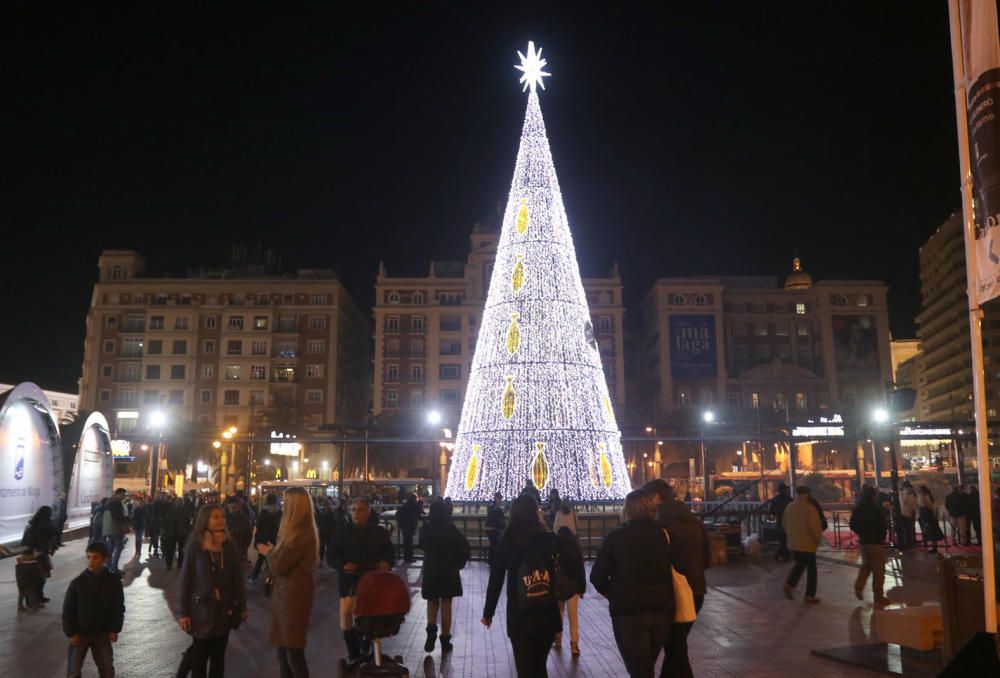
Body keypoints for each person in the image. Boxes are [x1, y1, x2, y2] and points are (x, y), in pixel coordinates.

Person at [591, 490, 674, 678]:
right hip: (661, 609)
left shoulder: (616, 537)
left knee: (639, 668)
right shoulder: (664, 534)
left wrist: (614, 594)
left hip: (628, 611)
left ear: (627, 510)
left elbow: (598, 576)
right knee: (646, 666)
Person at [482, 494, 567, 677]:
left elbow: (496, 579)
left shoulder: (508, 541)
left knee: (525, 669)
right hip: (546, 613)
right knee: (540, 666)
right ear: (535, 513)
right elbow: (568, 563)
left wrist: (488, 612)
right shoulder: (547, 539)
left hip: (520, 615)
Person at [644, 479, 708, 678]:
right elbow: (707, 560)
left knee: (676, 648)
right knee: (676, 646)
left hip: (672, 593)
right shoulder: (694, 521)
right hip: (696, 591)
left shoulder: (656, 525)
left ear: (655, 497)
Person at [176, 504, 248, 678]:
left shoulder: (230, 546)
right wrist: (183, 612)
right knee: (199, 659)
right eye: (215, 517)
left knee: (218, 659)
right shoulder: (195, 546)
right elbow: (186, 581)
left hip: (224, 611)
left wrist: (242, 605)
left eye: (222, 516)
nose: (220, 520)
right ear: (205, 520)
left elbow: (237, 579)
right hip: (201, 611)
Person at [256, 487, 318, 678]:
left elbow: (280, 566)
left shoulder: (299, 533)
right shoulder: (299, 531)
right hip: (289, 595)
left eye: (287, 502)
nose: (283, 505)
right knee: (285, 652)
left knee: (292, 652)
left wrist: (269, 553)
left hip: (293, 597)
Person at [327, 497, 395, 665]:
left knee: (369, 615)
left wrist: (386, 563)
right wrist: (343, 565)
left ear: (368, 512)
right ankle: (353, 652)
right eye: (353, 509)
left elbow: (389, 552)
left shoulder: (378, 532)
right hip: (349, 582)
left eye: (360, 509)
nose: (356, 513)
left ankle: (366, 646)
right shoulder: (342, 531)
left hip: (372, 581)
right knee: (346, 614)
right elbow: (331, 556)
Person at [63, 542, 125, 678]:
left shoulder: (113, 582)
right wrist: (71, 632)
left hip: (102, 633)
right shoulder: (77, 583)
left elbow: (118, 607)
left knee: (107, 668)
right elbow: (68, 610)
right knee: (74, 670)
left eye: (95, 557)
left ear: (104, 559)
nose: (91, 561)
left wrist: (114, 629)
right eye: (89, 557)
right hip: (80, 633)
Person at [419, 500, 471, 653]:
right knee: (446, 603)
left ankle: (431, 631)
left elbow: (422, 545)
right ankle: (445, 639)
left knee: (432, 602)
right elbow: (464, 546)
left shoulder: (426, 529)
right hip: (448, 570)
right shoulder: (450, 528)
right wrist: (458, 563)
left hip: (431, 569)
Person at [850, 486, 890, 606]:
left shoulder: (858, 508)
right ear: (873, 495)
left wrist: (862, 533)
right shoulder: (876, 508)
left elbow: (853, 524)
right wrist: (881, 537)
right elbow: (883, 525)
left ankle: (859, 586)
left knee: (866, 566)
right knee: (879, 571)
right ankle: (878, 596)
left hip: (864, 542)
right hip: (876, 542)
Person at [782, 486, 822, 603]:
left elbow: (784, 523)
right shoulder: (810, 508)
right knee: (812, 569)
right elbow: (814, 527)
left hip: (793, 543)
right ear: (808, 493)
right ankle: (810, 595)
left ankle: (790, 584)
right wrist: (817, 540)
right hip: (807, 544)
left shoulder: (790, 507)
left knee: (799, 564)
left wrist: (792, 535)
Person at [554, 525, 585, 656]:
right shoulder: (576, 550)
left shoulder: (556, 550)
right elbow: (581, 571)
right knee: (573, 616)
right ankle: (574, 644)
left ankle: (558, 639)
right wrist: (582, 588)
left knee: (559, 613)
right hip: (573, 587)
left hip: (559, 587)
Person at [23, 505, 60, 603]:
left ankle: (32, 597)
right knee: (41, 576)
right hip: (40, 553)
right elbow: (55, 531)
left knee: (33, 577)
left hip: (30, 553)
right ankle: (37, 597)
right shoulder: (46, 523)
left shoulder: (33, 522)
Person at [251, 493, 282, 583]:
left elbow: (258, 526)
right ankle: (275, 577)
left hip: (264, 539)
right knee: (273, 558)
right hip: (275, 538)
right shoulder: (280, 512)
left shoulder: (263, 512)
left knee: (261, 558)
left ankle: (254, 577)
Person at [102, 489, 130, 575]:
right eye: (122, 494)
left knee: (111, 548)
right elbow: (117, 516)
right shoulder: (115, 503)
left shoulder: (110, 502)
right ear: (117, 494)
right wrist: (127, 518)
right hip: (115, 529)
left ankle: (109, 566)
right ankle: (113, 568)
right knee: (119, 547)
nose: (124, 496)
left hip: (110, 529)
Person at [164, 496, 195, 571]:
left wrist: (166, 530)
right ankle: (180, 564)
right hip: (181, 533)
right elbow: (188, 521)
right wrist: (187, 530)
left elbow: (166, 521)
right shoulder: (185, 511)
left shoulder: (170, 510)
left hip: (172, 533)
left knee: (170, 550)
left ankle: (169, 564)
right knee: (181, 549)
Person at [396, 493, 424, 564]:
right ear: (414, 499)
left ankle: (407, 557)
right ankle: (409, 558)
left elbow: (398, 513)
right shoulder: (415, 505)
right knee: (409, 542)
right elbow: (421, 514)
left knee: (406, 542)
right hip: (409, 525)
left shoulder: (406, 505)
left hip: (404, 525)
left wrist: (401, 524)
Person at [225, 496, 252, 565]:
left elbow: (248, 536)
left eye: (234, 508)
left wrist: (243, 550)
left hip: (239, 551)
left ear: (239, 506)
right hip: (225, 552)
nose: (232, 510)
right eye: (230, 508)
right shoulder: (224, 519)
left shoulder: (244, 520)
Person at [769, 484, 793, 561]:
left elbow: (772, 511)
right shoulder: (789, 499)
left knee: (782, 540)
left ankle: (780, 555)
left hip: (779, 522)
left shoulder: (775, 499)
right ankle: (785, 556)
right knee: (785, 540)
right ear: (784, 490)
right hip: (788, 522)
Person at [918, 485, 943, 553]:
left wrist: (923, 505)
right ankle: (932, 547)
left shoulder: (926, 497)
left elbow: (929, 507)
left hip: (929, 518)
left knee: (932, 533)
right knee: (930, 533)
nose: (919, 492)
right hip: (928, 517)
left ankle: (934, 548)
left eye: (920, 490)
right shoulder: (926, 496)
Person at [485, 492, 506, 566]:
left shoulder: (496, 507)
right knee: (494, 545)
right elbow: (493, 515)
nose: (500, 500)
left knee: (494, 545)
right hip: (492, 529)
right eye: (499, 498)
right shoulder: (492, 507)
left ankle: (492, 561)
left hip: (495, 529)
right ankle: (492, 561)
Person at [898, 482, 918, 549]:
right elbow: (903, 502)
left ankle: (910, 543)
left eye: (910, 488)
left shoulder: (913, 495)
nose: (909, 489)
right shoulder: (901, 493)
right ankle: (905, 544)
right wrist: (906, 493)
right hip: (903, 514)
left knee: (909, 530)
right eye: (907, 488)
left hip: (910, 514)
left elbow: (914, 505)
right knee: (905, 530)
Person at [131, 497, 148, 562]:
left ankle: (138, 550)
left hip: (141, 525)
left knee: (139, 538)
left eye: (142, 503)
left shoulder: (145, 509)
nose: (141, 504)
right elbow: (133, 517)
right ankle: (137, 550)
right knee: (137, 538)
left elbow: (146, 517)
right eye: (140, 503)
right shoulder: (137, 509)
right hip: (137, 525)